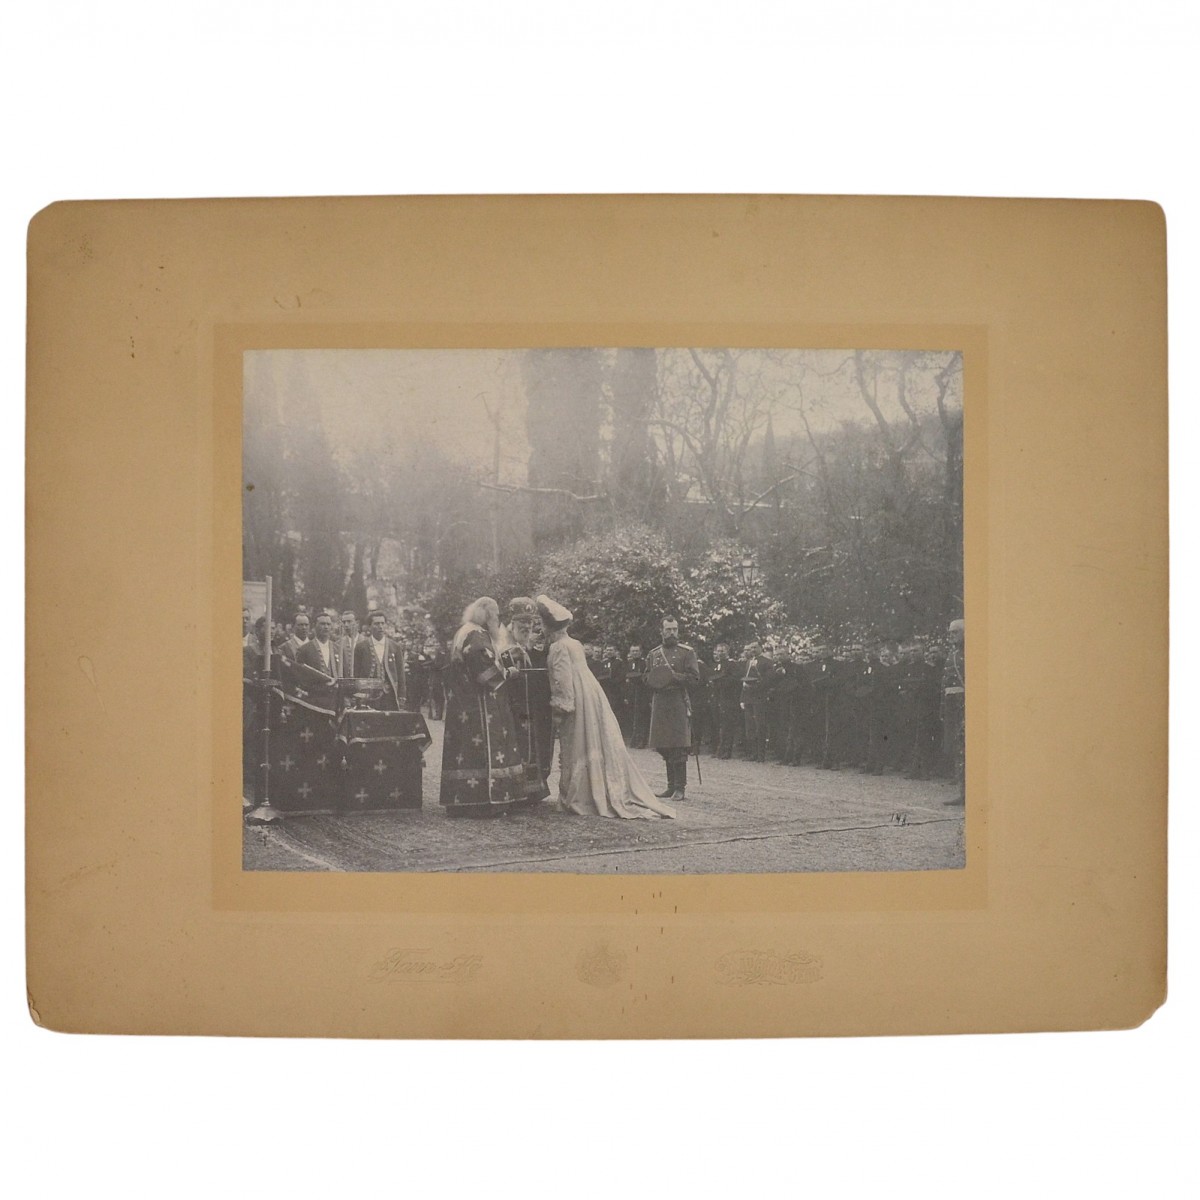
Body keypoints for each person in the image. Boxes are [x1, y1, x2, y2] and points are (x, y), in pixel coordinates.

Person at [542, 596, 675, 820]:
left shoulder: (558, 647)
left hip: (577, 697)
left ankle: (578, 795)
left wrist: (560, 709)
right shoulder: (574, 643)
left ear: (549, 626)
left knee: (577, 742)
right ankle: (591, 788)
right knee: (591, 740)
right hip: (590, 693)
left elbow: (562, 681)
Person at [439, 597, 532, 817]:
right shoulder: (477, 636)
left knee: (464, 751)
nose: (498, 619)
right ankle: (483, 801)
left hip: (462, 704)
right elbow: (485, 671)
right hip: (479, 705)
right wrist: (509, 673)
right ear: (487, 615)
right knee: (483, 751)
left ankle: (461, 800)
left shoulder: (463, 631)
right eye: (496, 615)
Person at [500, 596, 554, 802]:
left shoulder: (531, 644)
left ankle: (533, 790)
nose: (526, 627)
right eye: (522, 623)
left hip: (532, 704)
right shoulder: (503, 643)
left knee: (535, 744)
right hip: (513, 704)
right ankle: (515, 791)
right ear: (512, 623)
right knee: (517, 745)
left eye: (530, 623)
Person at [646, 617, 700, 801]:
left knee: (678, 744)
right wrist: (655, 679)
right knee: (663, 745)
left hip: (677, 700)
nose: (672, 633)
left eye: (675, 629)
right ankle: (670, 786)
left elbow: (694, 678)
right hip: (660, 701)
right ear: (661, 631)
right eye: (668, 629)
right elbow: (647, 677)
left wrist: (671, 676)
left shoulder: (687, 652)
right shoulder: (653, 654)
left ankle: (680, 787)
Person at [353, 610, 406, 710]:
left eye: (382, 623)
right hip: (368, 697)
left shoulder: (395, 647)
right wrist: (357, 695)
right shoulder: (361, 647)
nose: (380, 626)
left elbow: (400, 673)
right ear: (369, 626)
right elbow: (357, 673)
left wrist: (402, 695)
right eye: (377, 624)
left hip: (389, 696)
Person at [293, 611, 344, 706]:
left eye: (328, 624)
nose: (326, 627)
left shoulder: (338, 649)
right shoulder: (304, 649)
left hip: (335, 701)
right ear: (314, 626)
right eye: (322, 624)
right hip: (313, 701)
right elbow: (299, 678)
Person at [739, 639, 776, 762]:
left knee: (760, 726)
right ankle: (752, 753)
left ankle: (761, 754)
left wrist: (755, 686)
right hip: (748, 698)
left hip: (760, 697)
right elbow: (745, 681)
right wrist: (742, 699)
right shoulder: (748, 662)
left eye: (755, 647)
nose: (753, 650)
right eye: (751, 648)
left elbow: (768, 680)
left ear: (761, 648)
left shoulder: (767, 662)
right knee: (749, 727)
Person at [942, 618, 966, 804]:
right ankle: (963, 791)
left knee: (966, 748)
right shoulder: (953, 653)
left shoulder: (969, 653)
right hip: (952, 703)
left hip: (963, 703)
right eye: (950, 633)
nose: (951, 636)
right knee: (958, 748)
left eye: (955, 632)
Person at [709, 641, 742, 759]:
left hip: (729, 699)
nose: (719, 653)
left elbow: (735, 680)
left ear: (727, 652)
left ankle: (726, 751)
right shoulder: (717, 665)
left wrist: (720, 682)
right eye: (718, 651)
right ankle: (720, 749)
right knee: (719, 724)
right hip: (718, 698)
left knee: (727, 725)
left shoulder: (732, 664)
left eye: (722, 651)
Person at [623, 643, 651, 747]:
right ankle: (634, 739)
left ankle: (642, 740)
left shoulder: (644, 663)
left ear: (640, 652)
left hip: (642, 693)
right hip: (632, 693)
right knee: (633, 716)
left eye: (636, 651)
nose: (635, 653)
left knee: (642, 716)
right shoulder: (628, 663)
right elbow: (626, 678)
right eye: (633, 651)